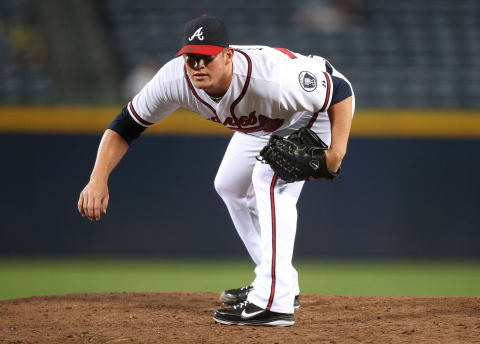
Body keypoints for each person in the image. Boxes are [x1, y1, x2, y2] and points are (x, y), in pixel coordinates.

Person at [77, 15, 354, 327]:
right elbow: (125, 126)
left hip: (311, 114)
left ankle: (274, 302)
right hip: (262, 122)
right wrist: (97, 179)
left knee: (268, 178)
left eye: (206, 57)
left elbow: (340, 90)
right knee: (229, 185)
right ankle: (280, 284)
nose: (198, 66)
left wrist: (335, 153)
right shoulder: (173, 81)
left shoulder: (273, 79)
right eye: (191, 58)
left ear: (227, 55)